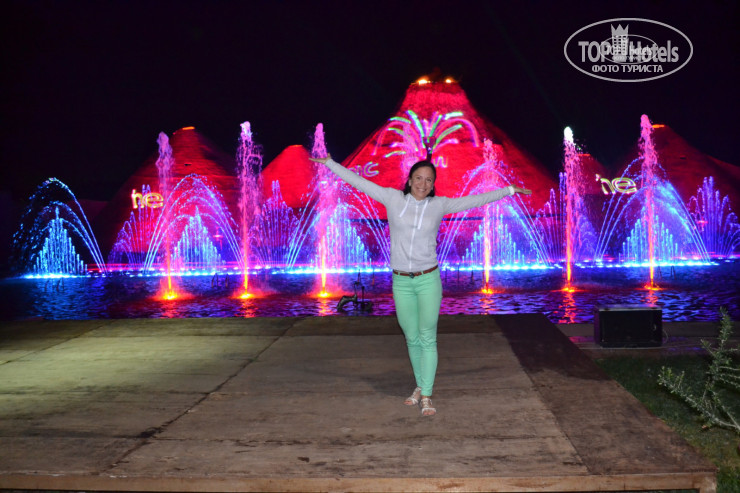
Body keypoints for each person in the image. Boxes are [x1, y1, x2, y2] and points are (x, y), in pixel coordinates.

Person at [310, 154, 532, 416]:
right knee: (411, 337)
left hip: (428, 279)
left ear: (433, 184)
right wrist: (330, 164)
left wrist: (509, 190)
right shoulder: (392, 199)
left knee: (427, 336)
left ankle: (426, 395)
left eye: (428, 180)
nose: (423, 184)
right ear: (409, 180)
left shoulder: (439, 205)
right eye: (418, 178)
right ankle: (420, 385)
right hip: (401, 281)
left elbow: (475, 200)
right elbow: (359, 182)